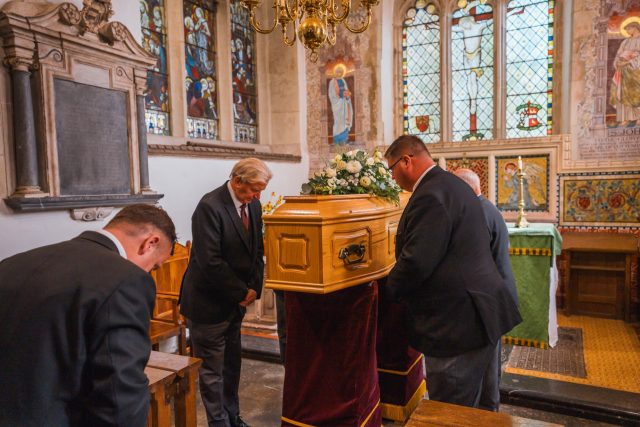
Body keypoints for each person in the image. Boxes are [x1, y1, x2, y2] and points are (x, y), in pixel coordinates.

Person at [0, 204, 176, 427]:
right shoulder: (126, 279)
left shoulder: (13, 263)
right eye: (155, 266)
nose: (149, 272)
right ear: (150, 243)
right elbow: (118, 395)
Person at [383, 135, 521, 410]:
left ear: (406, 161)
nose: (393, 177)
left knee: (452, 409)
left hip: (457, 325)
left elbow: (417, 261)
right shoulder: (453, 186)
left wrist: (385, 292)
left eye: (391, 169)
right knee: (481, 406)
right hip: (479, 313)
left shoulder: (431, 195)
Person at [180, 158, 272, 427]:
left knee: (232, 366)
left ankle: (233, 416)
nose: (258, 196)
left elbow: (257, 249)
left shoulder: (252, 204)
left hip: (235, 302)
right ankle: (218, 423)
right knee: (212, 372)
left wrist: (255, 287)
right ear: (237, 181)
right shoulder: (210, 207)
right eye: (255, 189)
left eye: (261, 190)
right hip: (208, 303)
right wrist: (240, 291)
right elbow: (210, 260)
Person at [454, 168, 519, 411]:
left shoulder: (477, 212)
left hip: (488, 299)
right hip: (494, 296)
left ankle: (487, 412)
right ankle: (488, 410)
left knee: (486, 365)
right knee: (489, 362)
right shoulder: (487, 207)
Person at [610, 20, 640, 124]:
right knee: (622, 93)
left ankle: (638, 117)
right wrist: (618, 63)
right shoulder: (625, 42)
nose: (627, 31)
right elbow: (619, 54)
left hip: (635, 71)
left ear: (635, 27)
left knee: (635, 93)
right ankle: (626, 118)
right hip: (622, 71)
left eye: (628, 29)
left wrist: (629, 62)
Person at [328, 64, 353, 145]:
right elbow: (332, 94)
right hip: (337, 105)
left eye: (341, 72)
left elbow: (346, 90)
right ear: (335, 72)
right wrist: (342, 94)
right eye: (338, 71)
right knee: (338, 121)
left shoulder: (343, 80)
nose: (339, 73)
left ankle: (344, 140)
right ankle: (337, 140)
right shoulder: (332, 82)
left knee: (344, 121)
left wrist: (347, 94)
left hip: (344, 104)